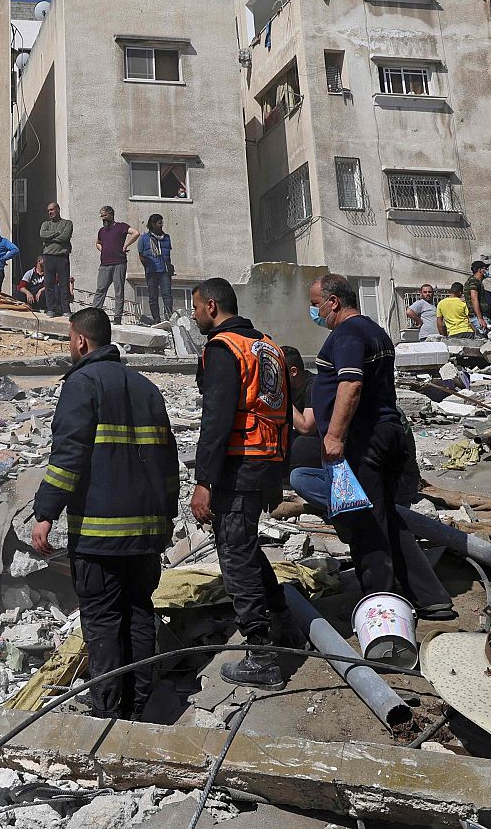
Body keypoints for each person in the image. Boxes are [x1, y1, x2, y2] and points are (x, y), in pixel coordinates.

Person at [31, 308, 180, 719]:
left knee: (102, 625)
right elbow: (170, 462)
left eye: (68, 338)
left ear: (80, 340)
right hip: (147, 535)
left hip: (100, 538)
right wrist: (166, 517)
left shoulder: (82, 385)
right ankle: (142, 712)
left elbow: (68, 458)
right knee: (138, 616)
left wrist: (45, 513)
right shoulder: (147, 388)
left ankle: (109, 719)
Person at [301, 274, 454, 619]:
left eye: (315, 304)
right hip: (387, 433)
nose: (313, 311)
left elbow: (351, 385)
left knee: (365, 523)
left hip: (363, 438)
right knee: (388, 518)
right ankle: (429, 597)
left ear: (334, 302)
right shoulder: (375, 331)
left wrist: (335, 435)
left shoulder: (348, 334)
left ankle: (381, 608)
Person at [190, 278, 292, 689]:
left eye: (196, 307)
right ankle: (283, 618)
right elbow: (281, 408)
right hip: (266, 460)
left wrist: (204, 482)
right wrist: (277, 475)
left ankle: (262, 655)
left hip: (239, 462)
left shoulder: (222, 349)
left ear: (212, 306)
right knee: (246, 545)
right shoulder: (268, 345)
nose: (194, 314)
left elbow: (216, 420)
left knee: (234, 554)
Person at [91, 206, 140, 324]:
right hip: (105, 264)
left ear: (111, 214)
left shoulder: (121, 226)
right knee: (100, 290)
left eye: (104, 215)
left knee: (119, 291)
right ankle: (94, 315)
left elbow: (136, 233)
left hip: (119, 263)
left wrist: (125, 245)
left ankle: (117, 318)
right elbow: (97, 243)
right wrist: (102, 249)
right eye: (101, 216)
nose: (103, 218)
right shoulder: (101, 231)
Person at [137, 214, 175, 324]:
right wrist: (148, 266)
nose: (161, 225)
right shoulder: (144, 238)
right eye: (159, 223)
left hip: (165, 271)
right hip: (152, 271)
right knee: (153, 296)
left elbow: (168, 253)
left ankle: (168, 318)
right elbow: (141, 255)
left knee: (167, 295)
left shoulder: (166, 237)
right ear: (153, 224)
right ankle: (157, 319)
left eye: (162, 222)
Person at [38, 202, 74, 317]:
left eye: (52, 210)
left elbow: (65, 236)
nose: (50, 212)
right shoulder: (46, 224)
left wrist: (50, 238)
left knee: (64, 284)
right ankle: (50, 309)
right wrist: (57, 233)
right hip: (48, 257)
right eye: (48, 210)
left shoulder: (67, 223)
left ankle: (65, 309)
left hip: (62, 257)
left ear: (58, 210)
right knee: (49, 284)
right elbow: (42, 234)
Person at [465, 261, 491, 335]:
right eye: (486, 269)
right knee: (486, 339)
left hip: (482, 316)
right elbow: (474, 298)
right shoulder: (473, 281)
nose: (487, 271)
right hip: (478, 317)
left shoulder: (477, 282)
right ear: (480, 270)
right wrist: (480, 318)